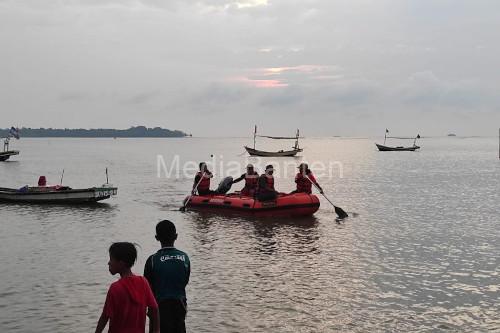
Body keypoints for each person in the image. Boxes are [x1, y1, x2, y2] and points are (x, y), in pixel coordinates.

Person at [95, 242, 160, 333]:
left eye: (111, 259)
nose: (108, 263)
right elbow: (155, 308)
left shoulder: (115, 288)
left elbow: (105, 316)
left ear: (121, 264)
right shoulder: (143, 282)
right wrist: (157, 330)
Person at [144, 220, 191, 333]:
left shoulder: (152, 260)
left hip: (159, 307)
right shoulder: (184, 258)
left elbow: (147, 289)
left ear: (156, 237)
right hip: (180, 306)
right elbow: (185, 280)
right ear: (176, 236)